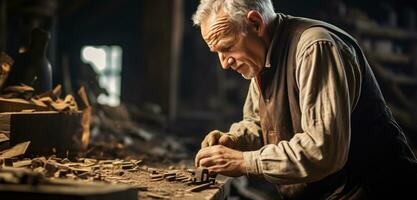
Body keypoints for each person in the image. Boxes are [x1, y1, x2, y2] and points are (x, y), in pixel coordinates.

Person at [192, 0, 417, 199]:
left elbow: (322, 151)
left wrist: (243, 161)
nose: (224, 63)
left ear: (256, 24)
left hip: (373, 189)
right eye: (217, 53)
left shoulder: (315, 48)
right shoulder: (260, 58)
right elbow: (261, 126)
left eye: (227, 48)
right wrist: (234, 141)